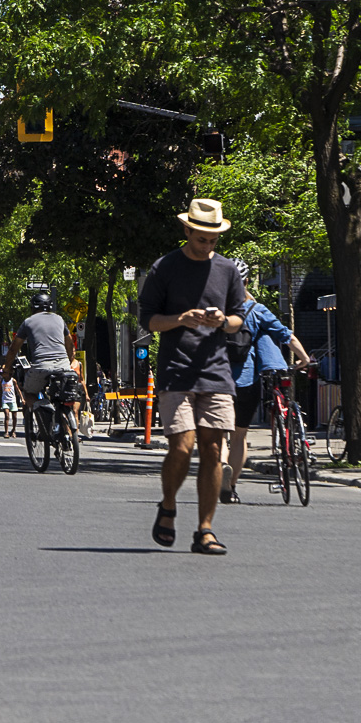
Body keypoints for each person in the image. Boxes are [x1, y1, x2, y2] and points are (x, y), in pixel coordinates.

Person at [137, 198, 245, 555]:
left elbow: (238, 319)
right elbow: (149, 321)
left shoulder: (228, 270)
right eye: (201, 239)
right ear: (187, 231)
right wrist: (181, 319)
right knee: (181, 447)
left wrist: (221, 322)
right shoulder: (164, 267)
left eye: (213, 240)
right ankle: (168, 505)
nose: (207, 245)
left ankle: (205, 530)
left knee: (214, 450)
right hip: (177, 369)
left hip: (216, 370)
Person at [222, 265, 311, 502]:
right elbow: (286, 335)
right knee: (239, 436)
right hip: (246, 381)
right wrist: (304, 359)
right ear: (248, 282)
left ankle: (221, 466)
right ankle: (230, 488)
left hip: (218, 381)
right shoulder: (256, 310)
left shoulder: (216, 312)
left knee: (220, 435)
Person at [1, 288, 80, 424]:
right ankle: (67, 434)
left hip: (41, 366)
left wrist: (7, 370)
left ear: (32, 308)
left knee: (29, 393)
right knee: (64, 397)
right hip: (63, 365)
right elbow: (69, 343)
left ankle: (43, 412)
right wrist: (69, 360)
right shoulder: (60, 319)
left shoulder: (28, 322)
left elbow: (14, 349)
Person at [0, 371, 19, 437]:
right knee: (7, 415)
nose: (3, 375)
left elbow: (17, 389)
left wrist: (22, 399)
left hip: (12, 400)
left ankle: (13, 430)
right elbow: (1, 391)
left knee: (14, 417)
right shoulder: (2, 381)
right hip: (5, 400)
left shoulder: (13, 380)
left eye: (4, 373)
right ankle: (6, 432)